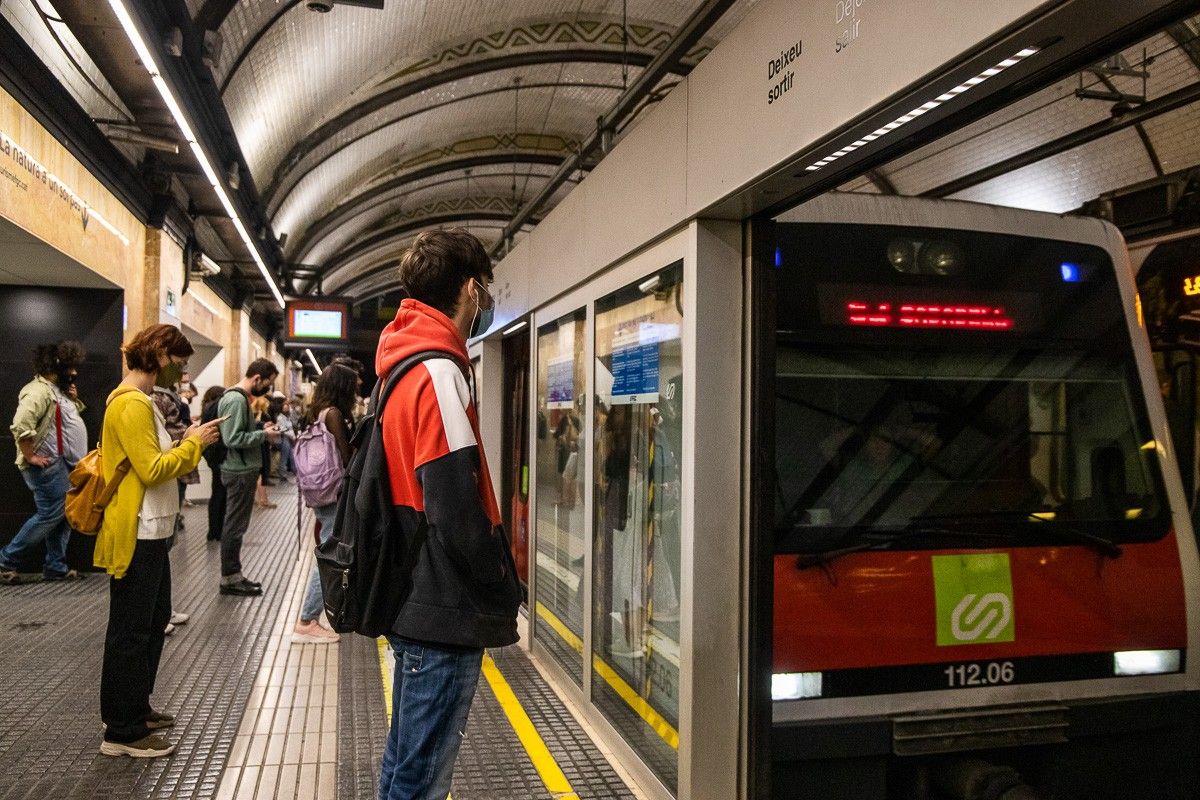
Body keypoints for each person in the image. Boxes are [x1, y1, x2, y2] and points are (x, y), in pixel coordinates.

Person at [375, 228, 521, 799]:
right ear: (469, 290)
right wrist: (499, 581)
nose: (484, 298)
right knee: (421, 779)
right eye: (483, 287)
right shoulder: (438, 372)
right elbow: (456, 507)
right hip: (442, 602)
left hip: (414, 593)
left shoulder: (400, 364)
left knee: (403, 766)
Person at [94, 324, 221, 757]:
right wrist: (195, 445)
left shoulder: (142, 404)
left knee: (153, 619)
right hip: (138, 530)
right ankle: (121, 731)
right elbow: (151, 470)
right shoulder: (130, 405)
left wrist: (186, 440)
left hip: (154, 529)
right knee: (130, 629)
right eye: (180, 364)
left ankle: (136, 707)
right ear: (160, 357)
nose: (182, 374)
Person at [1, 340, 88, 584]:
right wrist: (30, 456)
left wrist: (74, 400)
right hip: (47, 466)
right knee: (50, 514)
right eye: (70, 367)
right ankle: (5, 560)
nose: (74, 372)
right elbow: (21, 425)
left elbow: (63, 421)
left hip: (62, 464)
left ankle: (56, 566)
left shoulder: (56, 389)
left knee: (63, 515)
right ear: (56, 365)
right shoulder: (37, 391)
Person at [292, 364, 356, 645]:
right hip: (335, 493)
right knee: (331, 558)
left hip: (320, 491)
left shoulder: (314, 412)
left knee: (333, 551)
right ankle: (307, 619)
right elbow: (346, 456)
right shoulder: (334, 415)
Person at [217, 360, 281, 596]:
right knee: (235, 525)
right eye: (267, 384)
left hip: (242, 469)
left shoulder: (239, 399)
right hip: (239, 471)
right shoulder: (235, 399)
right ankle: (230, 578)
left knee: (237, 524)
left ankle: (233, 574)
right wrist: (262, 435)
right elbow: (232, 438)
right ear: (257, 378)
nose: (267, 389)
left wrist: (259, 427)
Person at [149, 372, 197, 636]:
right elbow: (153, 463)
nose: (182, 372)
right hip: (162, 482)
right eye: (179, 363)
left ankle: (162, 610)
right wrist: (192, 439)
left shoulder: (163, 396)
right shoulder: (145, 400)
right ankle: (158, 613)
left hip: (172, 477)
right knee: (159, 549)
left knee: (166, 546)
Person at [199, 386, 227, 542]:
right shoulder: (218, 407)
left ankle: (213, 531)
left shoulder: (207, 408)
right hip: (219, 454)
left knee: (216, 493)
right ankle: (218, 530)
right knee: (221, 495)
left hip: (212, 454)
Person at [271, 395, 296, 481]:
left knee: (290, 455)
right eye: (284, 406)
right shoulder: (280, 417)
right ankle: (282, 474)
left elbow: (290, 428)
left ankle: (292, 471)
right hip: (283, 439)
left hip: (288, 439)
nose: (286, 407)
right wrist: (292, 435)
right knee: (284, 457)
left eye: (287, 406)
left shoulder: (287, 417)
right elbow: (283, 429)